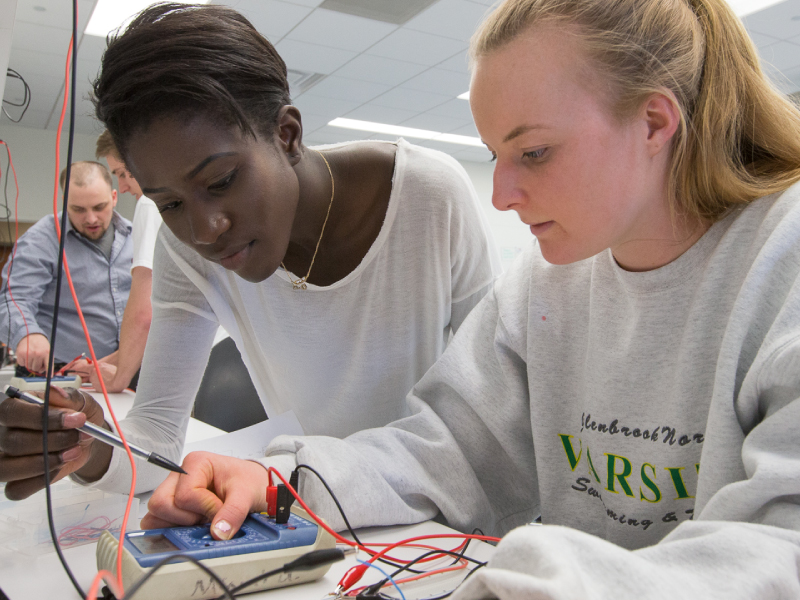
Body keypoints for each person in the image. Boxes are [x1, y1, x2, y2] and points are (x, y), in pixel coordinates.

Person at [139, 0, 800, 597]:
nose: (501, 195)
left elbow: (781, 549)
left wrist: (548, 580)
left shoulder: (783, 257)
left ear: (655, 121)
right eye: (494, 156)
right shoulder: (548, 284)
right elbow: (445, 452)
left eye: (533, 152)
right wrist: (283, 482)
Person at [0, 3, 501, 500]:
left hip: (445, 520)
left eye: (221, 181)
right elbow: (155, 431)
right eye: (169, 202)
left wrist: (299, 477)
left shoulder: (429, 197)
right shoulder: (185, 247)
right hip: (314, 514)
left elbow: (491, 421)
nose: (204, 230)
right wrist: (86, 442)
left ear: (286, 135)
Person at [0, 161, 133, 376]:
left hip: (128, 369)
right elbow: (13, 300)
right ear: (64, 202)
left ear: (114, 197)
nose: (91, 219)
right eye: (78, 209)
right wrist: (27, 334)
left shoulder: (136, 236)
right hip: (62, 374)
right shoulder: (40, 240)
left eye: (99, 207)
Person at [69, 131, 163, 392]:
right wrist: (105, 364)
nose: (122, 187)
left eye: (123, 173)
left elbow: (145, 313)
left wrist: (118, 378)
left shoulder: (150, 204)